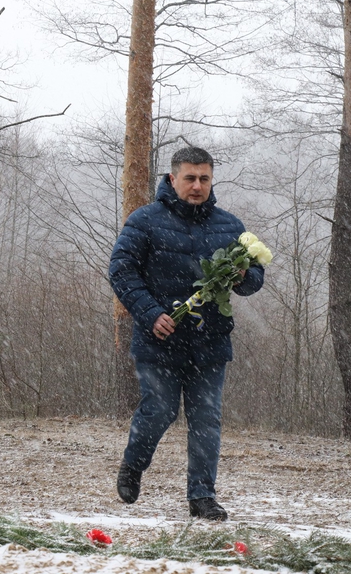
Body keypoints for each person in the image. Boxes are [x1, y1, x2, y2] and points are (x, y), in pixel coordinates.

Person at [109, 146, 265, 522]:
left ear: (212, 180)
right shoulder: (144, 220)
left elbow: (254, 278)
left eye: (204, 179)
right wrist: (150, 313)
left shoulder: (230, 226)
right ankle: (133, 465)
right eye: (190, 178)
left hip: (209, 342)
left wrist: (245, 276)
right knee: (159, 411)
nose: (197, 186)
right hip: (158, 340)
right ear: (172, 178)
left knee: (206, 419)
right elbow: (121, 270)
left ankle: (202, 497)